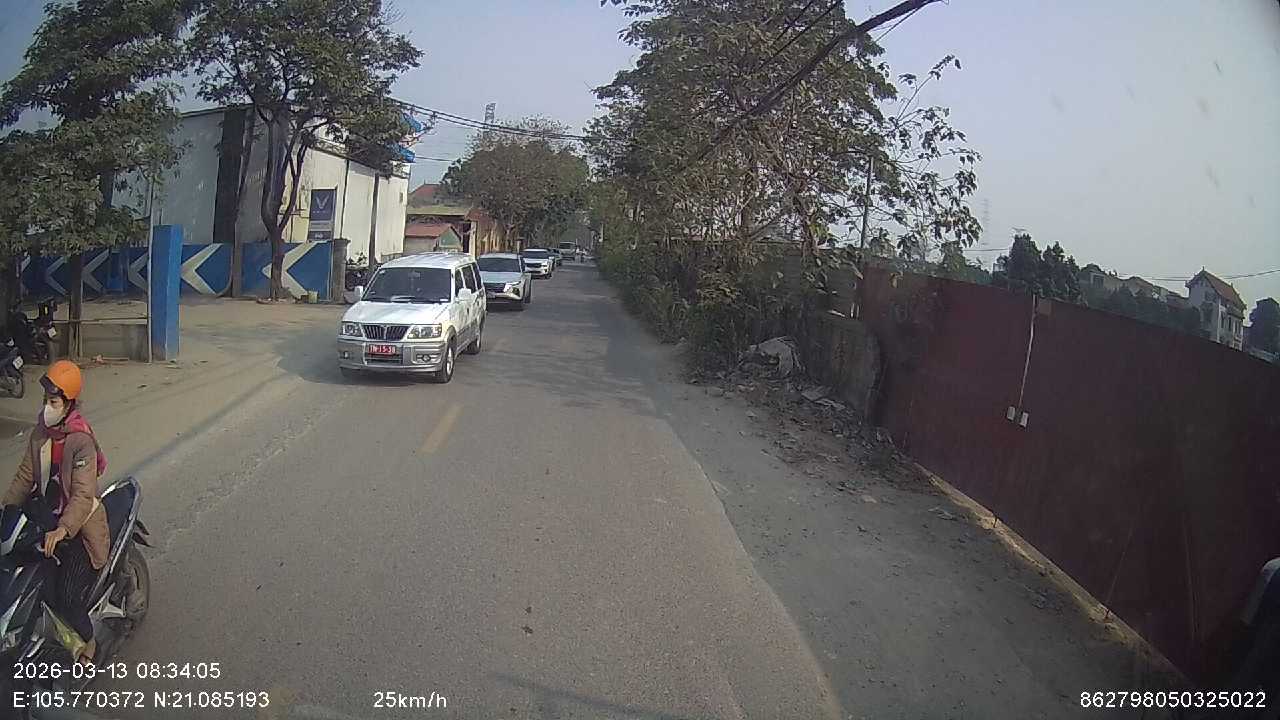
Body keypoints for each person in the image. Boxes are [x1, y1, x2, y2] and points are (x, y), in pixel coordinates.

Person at [1, 360, 108, 664]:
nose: (47, 407)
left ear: (69, 403)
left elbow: (83, 495)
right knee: (24, 574)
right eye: (46, 400)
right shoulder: (40, 433)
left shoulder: (81, 440)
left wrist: (63, 529)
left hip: (79, 527)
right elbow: (25, 476)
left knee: (66, 596)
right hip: (47, 519)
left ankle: (89, 643)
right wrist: (6, 509)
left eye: (54, 402)